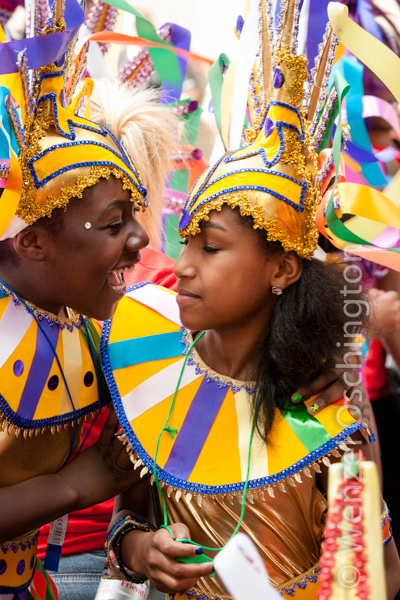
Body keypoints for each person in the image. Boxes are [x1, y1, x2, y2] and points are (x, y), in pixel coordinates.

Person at [99, 2, 400, 599]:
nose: (181, 266)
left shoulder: (328, 414)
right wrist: (141, 551)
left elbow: (376, 574)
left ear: (283, 269)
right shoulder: (143, 349)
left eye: (210, 248)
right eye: (185, 240)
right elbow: (127, 517)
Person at [0, 0, 151, 596]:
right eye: (114, 223)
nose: (141, 239)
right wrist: (77, 486)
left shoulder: (95, 332)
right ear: (33, 242)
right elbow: (95, 476)